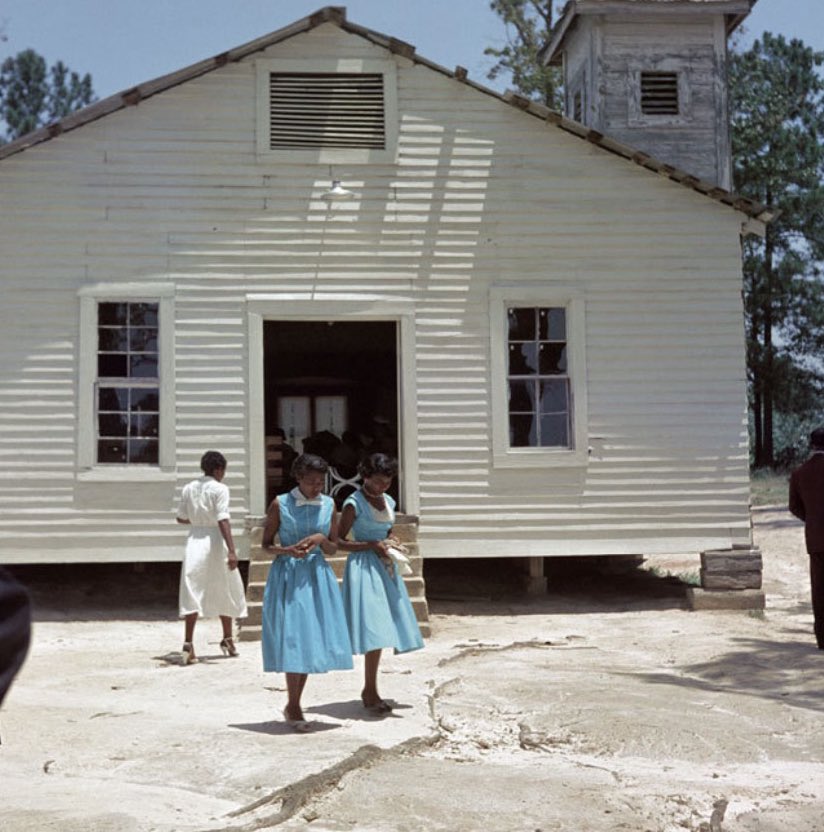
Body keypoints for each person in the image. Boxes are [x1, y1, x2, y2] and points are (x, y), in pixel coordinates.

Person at [260, 454, 353, 732]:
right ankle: (294, 704)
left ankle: (294, 703)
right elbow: (266, 544)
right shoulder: (281, 503)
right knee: (294, 637)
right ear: (298, 478)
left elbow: (334, 547)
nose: (316, 487)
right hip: (288, 575)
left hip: (316, 576)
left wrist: (321, 538)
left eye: (320, 482)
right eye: (311, 481)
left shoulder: (328, 504)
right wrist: (286, 550)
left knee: (310, 638)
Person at [338, 453, 423, 713]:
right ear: (365, 477)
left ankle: (371, 689)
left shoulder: (388, 501)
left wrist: (392, 540)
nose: (382, 487)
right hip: (364, 567)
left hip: (385, 566)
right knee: (374, 629)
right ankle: (370, 690)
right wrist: (370, 545)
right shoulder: (354, 503)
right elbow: (338, 541)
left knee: (385, 626)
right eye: (377, 482)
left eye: (387, 482)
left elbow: (387, 529)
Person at [176, 450, 247, 664]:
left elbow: (181, 518)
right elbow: (223, 519)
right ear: (218, 469)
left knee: (193, 587)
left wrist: (200, 520)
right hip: (216, 540)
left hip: (195, 539)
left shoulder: (189, 488)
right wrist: (232, 550)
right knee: (224, 584)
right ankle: (227, 637)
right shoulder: (220, 489)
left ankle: (189, 643)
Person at [789, 427, 824, 650]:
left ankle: (823, 636)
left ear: (812, 445)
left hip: (816, 539)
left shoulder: (799, 472)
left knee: (820, 589)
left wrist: (812, 519)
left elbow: (794, 507)